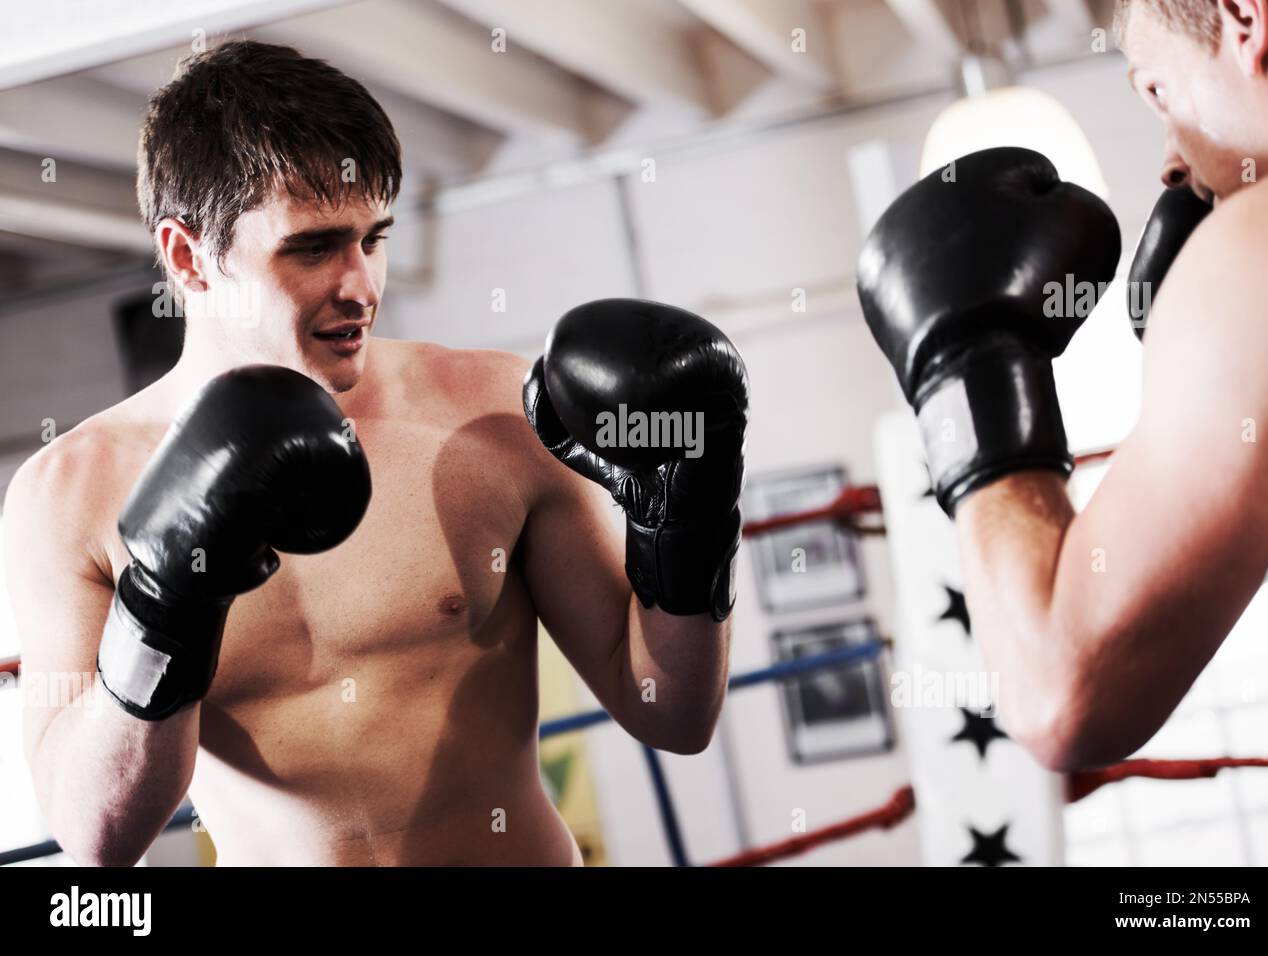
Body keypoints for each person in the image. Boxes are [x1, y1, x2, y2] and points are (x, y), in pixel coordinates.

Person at [2, 40, 747, 866]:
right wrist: (162, 607)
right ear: (188, 257)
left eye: (374, 238)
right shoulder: (69, 494)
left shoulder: (494, 411)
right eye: (312, 247)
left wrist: (691, 510)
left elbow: (673, 714)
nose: (361, 286)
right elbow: (96, 838)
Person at [857, 0, 1268, 772]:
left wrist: (968, 363)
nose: (1171, 163)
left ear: (1242, 17)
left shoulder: (1262, 246)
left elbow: (1060, 697)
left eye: (1157, 90)